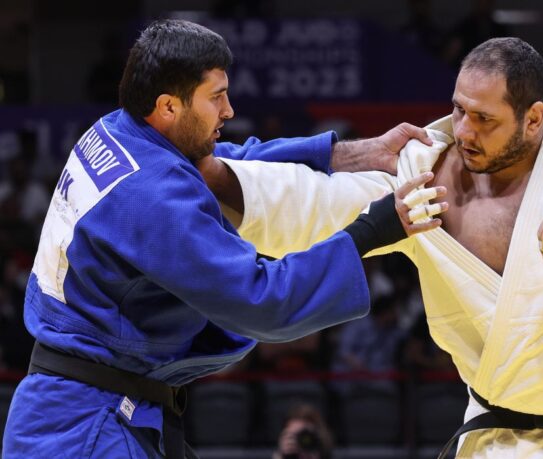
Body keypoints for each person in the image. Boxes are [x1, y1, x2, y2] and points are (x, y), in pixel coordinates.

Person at [202, 36, 543, 457]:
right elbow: (307, 203)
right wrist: (203, 172)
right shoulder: (422, 176)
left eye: (484, 118)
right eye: (459, 108)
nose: (463, 129)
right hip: (502, 434)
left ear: (534, 119)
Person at [1, 19, 449, 459]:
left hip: (78, 406)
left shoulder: (118, 132)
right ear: (169, 107)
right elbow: (263, 301)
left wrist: (348, 152)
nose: (229, 110)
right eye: (216, 97)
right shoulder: (152, 197)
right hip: (86, 430)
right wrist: (371, 231)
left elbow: (226, 161)